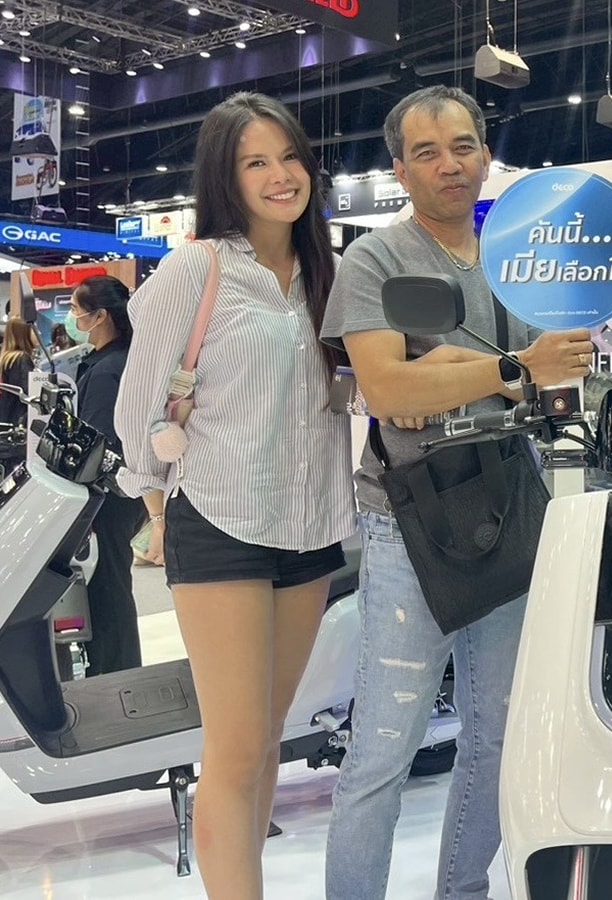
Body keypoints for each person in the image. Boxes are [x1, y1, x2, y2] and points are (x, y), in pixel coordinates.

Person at [320, 85, 592, 900]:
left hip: (510, 502)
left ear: (486, 155)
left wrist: (448, 368)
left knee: (497, 735)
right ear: (400, 169)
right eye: (427, 152)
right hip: (410, 519)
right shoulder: (375, 260)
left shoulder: (521, 259)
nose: (449, 165)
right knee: (382, 749)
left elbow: (559, 375)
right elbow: (387, 389)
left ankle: (462, 891)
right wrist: (507, 370)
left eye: (463, 146)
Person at [114, 92, 355, 899]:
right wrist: (156, 509)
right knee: (237, 745)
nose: (281, 175)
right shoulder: (199, 268)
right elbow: (137, 409)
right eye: (257, 162)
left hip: (310, 523)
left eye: (289, 157)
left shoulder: (325, 271)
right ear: (226, 176)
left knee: (268, 741)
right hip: (221, 519)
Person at [68, 276, 148, 676]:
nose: (72, 317)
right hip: (125, 495)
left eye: (76, 309)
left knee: (108, 590)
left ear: (100, 316)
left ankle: (116, 675)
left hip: (107, 498)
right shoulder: (123, 359)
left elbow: (95, 443)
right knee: (113, 583)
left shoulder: (106, 371)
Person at [0, 316, 36, 472]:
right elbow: (30, 394)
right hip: (17, 433)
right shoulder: (22, 359)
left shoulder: (4, 359)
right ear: (24, 332)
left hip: (4, 429)